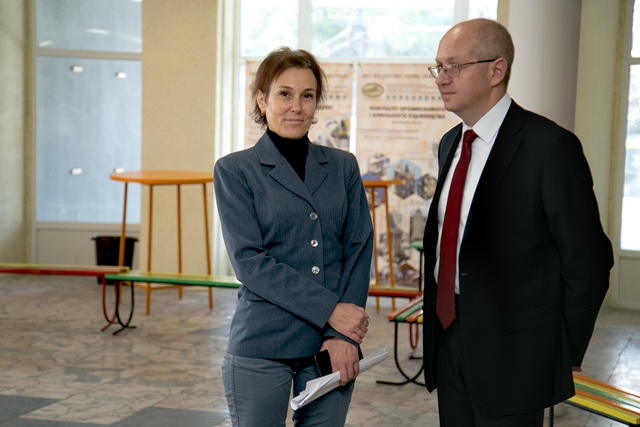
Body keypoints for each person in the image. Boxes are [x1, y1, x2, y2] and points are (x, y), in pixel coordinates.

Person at [421, 18, 614, 426]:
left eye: (454, 66)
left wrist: (561, 350)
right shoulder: (451, 142)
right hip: (450, 334)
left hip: (516, 355)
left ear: (496, 70)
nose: (441, 78)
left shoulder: (550, 147)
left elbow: (588, 262)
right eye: (438, 66)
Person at [214, 47, 373, 427]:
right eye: (284, 94)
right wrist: (331, 309)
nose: (296, 107)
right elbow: (250, 262)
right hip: (263, 340)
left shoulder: (342, 166)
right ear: (262, 99)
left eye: (307, 95)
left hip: (330, 344)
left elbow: (358, 249)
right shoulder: (235, 170)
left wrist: (344, 335)